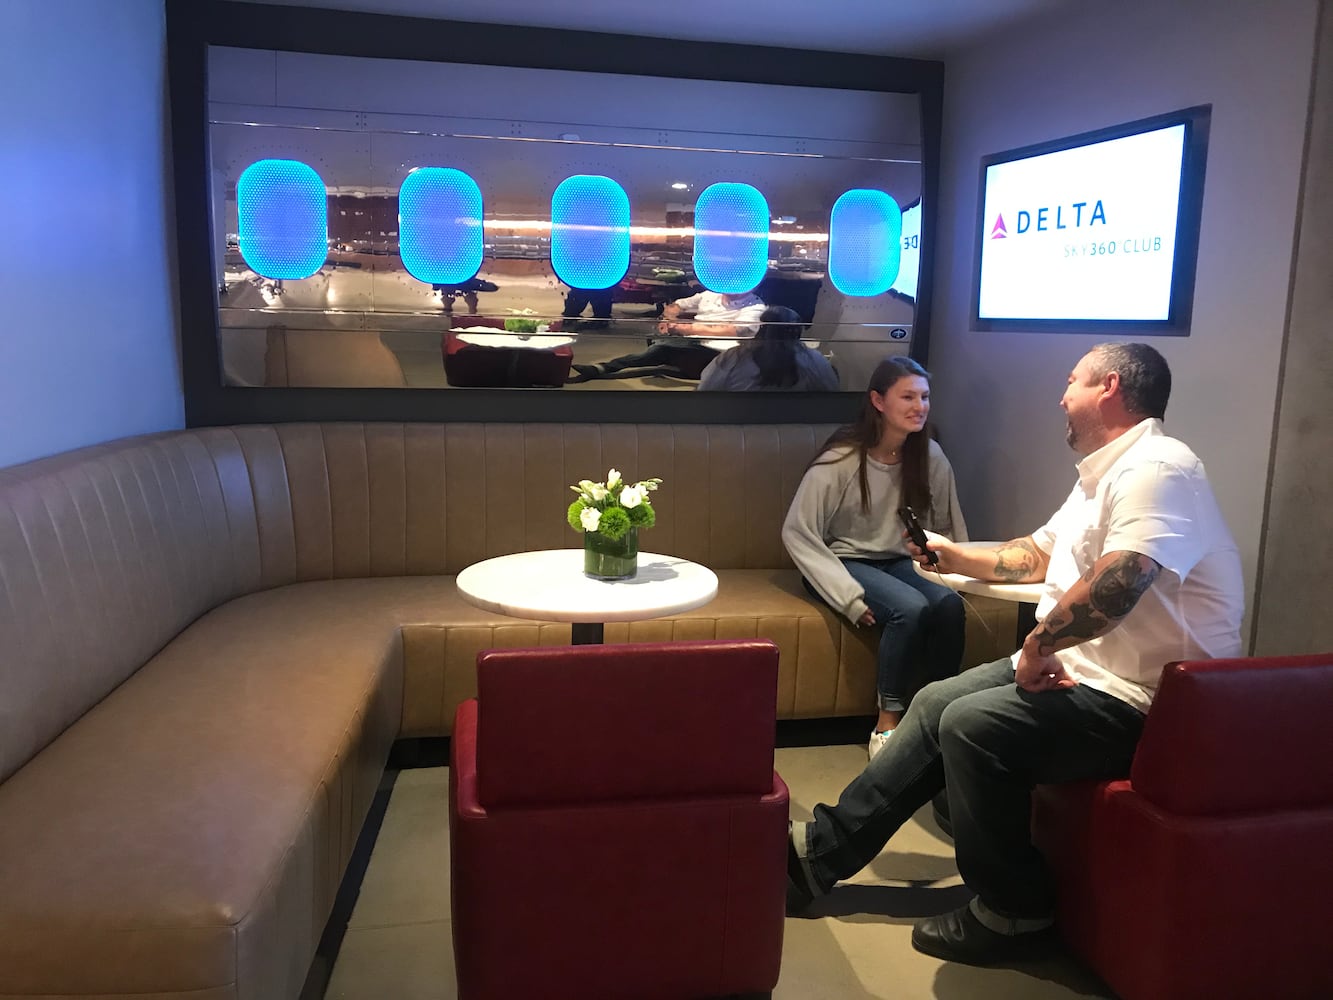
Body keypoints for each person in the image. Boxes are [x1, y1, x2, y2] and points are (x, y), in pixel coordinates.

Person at [786, 342, 1245, 969]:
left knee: (971, 726)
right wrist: (953, 554)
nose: (1062, 397)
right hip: (1087, 670)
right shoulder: (1102, 475)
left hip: (1145, 699)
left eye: (1072, 382)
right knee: (935, 700)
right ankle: (818, 855)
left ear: (1109, 388)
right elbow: (1034, 553)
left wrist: (1038, 643)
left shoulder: (1160, 468)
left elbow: (1124, 578)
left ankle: (1013, 909)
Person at [782, 357, 968, 755]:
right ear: (878, 401)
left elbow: (948, 525)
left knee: (949, 605)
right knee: (910, 609)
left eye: (925, 397)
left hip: (901, 561)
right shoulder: (841, 459)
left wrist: (957, 573)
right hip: (844, 561)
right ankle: (887, 722)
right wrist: (846, 595)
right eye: (908, 397)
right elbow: (798, 531)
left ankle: (937, 715)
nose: (919, 406)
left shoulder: (930, 455)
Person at [568, 288, 765, 382]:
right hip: (694, 341)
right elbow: (678, 305)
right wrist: (668, 319)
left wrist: (685, 329)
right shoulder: (710, 295)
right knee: (656, 339)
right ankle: (667, 356)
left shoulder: (755, 307)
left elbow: (733, 331)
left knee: (661, 348)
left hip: (719, 350)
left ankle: (602, 368)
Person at [697, 305, 839, 391]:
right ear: (797, 332)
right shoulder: (814, 360)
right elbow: (832, 393)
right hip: (795, 428)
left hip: (737, 425)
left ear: (761, 329)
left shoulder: (732, 357)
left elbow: (705, 391)